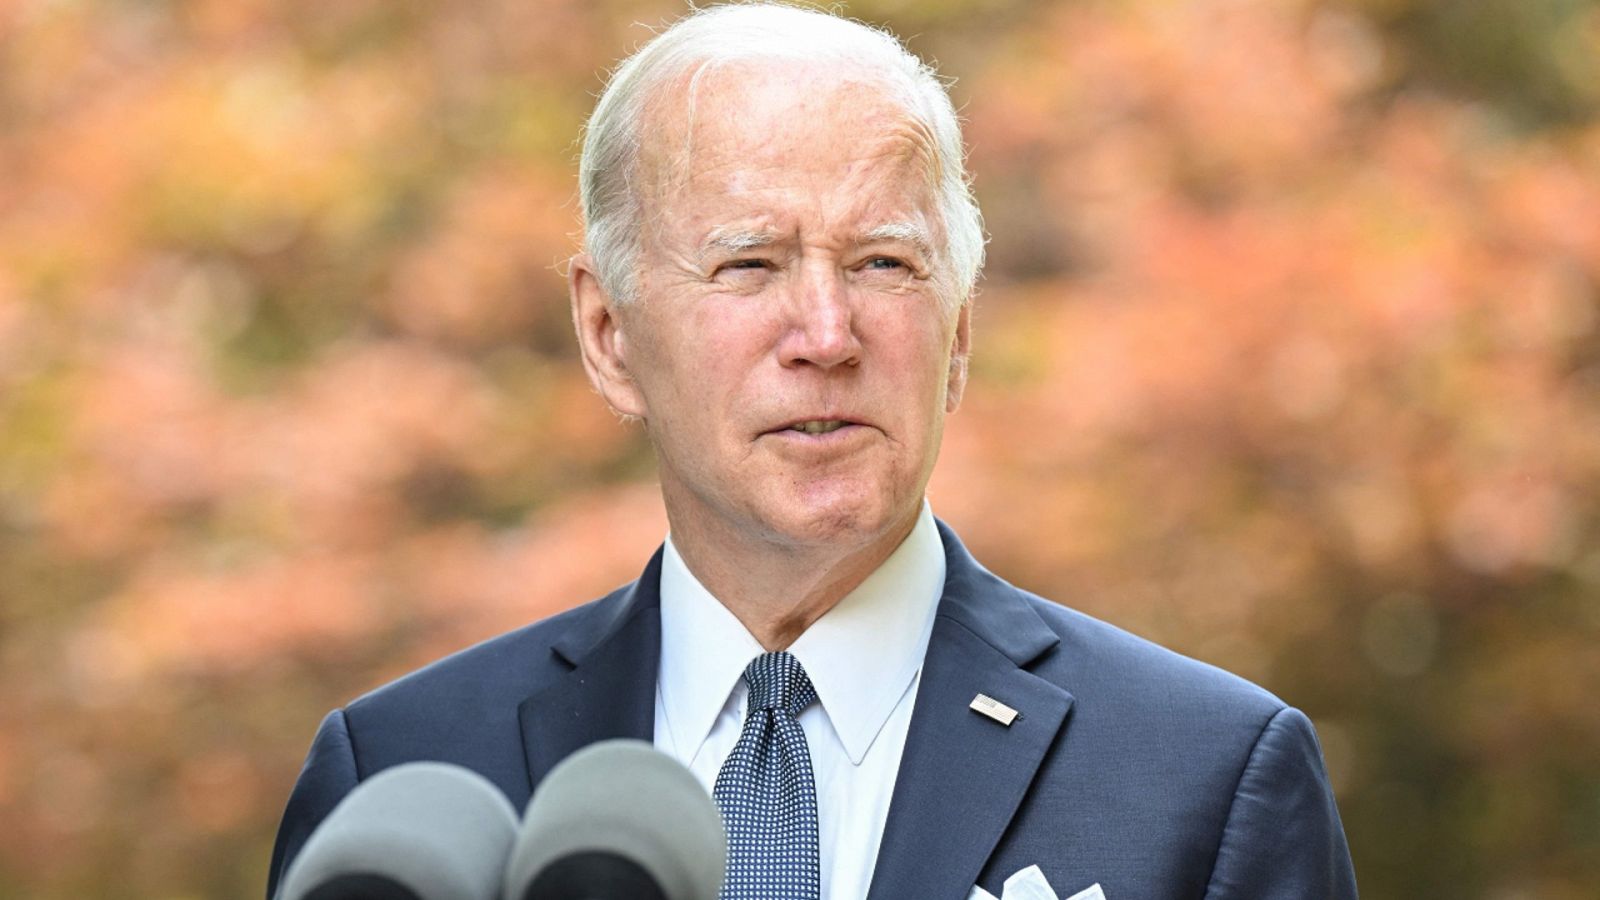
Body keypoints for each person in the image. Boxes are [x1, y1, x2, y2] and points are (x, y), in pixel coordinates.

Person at [267, 4, 1358, 898]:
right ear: (609, 338)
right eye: (749, 265)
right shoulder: (407, 782)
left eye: (883, 263)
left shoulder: (1201, 780)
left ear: (959, 335)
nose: (828, 336)